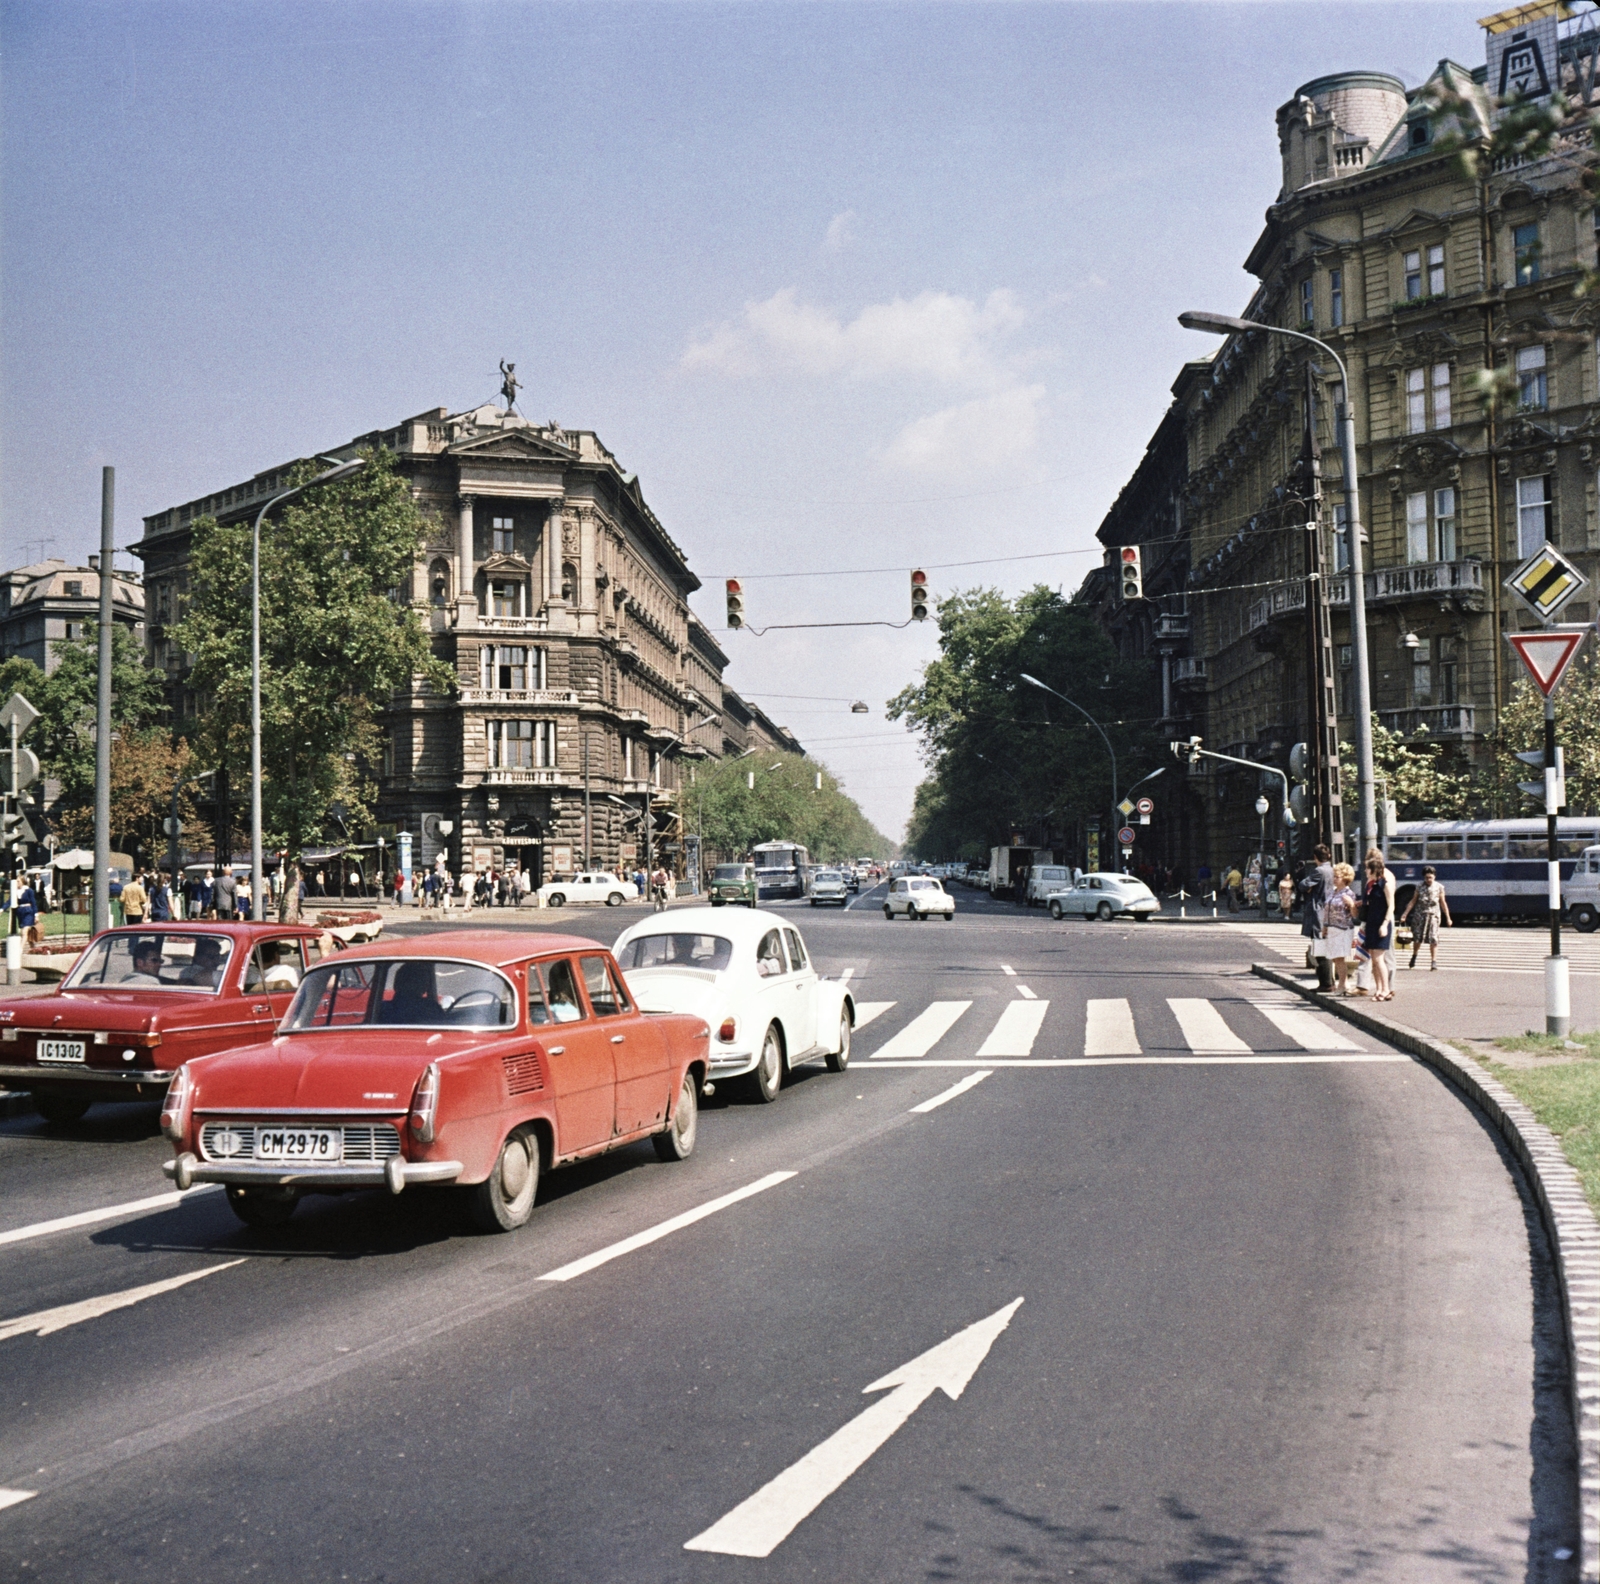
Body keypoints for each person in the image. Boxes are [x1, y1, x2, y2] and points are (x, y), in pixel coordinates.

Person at [1400, 865, 1452, 970]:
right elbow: (1413, 901)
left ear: (1434, 877)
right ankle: (1414, 956)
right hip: (1420, 915)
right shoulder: (1419, 886)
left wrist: (1448, 917)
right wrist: (1405, 914)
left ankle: (1433, 962)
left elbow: (1443, 903)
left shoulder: (1439, 887)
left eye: (1430, 877)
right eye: (1427, 877)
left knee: (1434, 938)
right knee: (1417, 938)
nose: (1428, 880)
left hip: (1434, 915)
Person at [1360, 850, 1394, 1002]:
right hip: (1372, 922)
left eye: (1367, 868)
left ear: (1374, 869)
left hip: (1381, 923)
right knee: (1373, 959)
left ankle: (1386, 989)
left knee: (1379, 959)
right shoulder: (1370, 885)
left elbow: (1391, 906)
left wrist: (1385, 924)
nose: (1365, 871)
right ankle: (1379, 988)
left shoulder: (1383, 884)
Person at [1324, 862, 1361, 995]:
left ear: (1345, 878)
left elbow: (1355, 914)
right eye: (1334, 876)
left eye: (1337, 877)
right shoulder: (1332, 892)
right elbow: (1326, 910)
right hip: (1332, 928)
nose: (1334, 879)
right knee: (1334, 957)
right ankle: (1344, 983)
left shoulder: (1348, 893)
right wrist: (1325, 926)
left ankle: (1342, 984)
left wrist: (1351, 904)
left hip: (1343, 928)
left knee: (1339, 958)